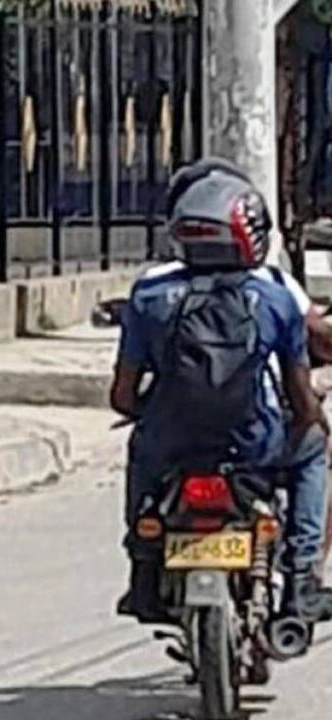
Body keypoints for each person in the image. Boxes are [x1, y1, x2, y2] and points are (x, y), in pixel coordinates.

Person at [112, 159, 332, 623]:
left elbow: (122, 398)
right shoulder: (273, 295)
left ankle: (143, 571)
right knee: (313, 450)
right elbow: (300, 398)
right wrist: (312, 418)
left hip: (169, 446)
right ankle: (300, 583)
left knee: (140, 453)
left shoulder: (149, 294)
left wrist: (157, 411)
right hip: (255, 446)